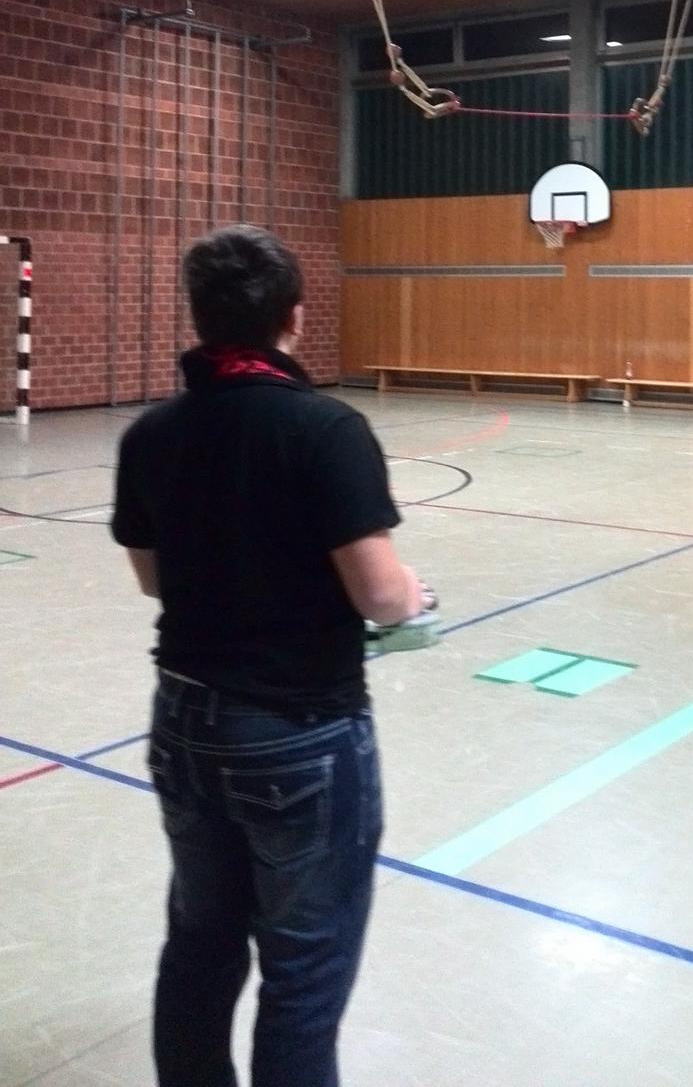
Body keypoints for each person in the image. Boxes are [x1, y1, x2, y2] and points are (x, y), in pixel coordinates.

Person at [111, 224, 432, 1087]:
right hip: (298, 729)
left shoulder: (151, 434)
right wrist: (415, 595)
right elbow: (380, 595)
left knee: (200, 941)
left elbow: (153, 579)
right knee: (304, 974)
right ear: (294, 317)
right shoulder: (325, 428)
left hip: (185, 719)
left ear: (200, 317)